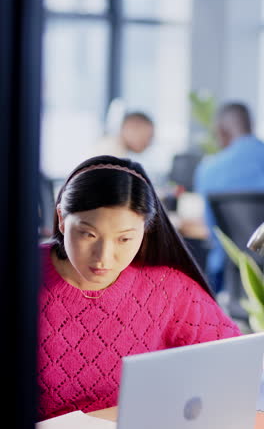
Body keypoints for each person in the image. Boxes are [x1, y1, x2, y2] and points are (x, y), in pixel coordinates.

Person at [37, 155, 241, 422]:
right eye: (88, 234)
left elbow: (234, 363)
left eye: (124, 238)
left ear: (145, 230)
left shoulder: (168, 289)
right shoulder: (22, 274)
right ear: (62, 219)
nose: (103, 257)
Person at [194, 102, 264, 292]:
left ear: (221, 131)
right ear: (251, 124)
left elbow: (212, 231)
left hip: (230, 278)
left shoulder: (208, 170)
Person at [90, 111, 154, 158]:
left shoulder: (114, 147)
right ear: (131, 128)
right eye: (148, 137)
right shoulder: (112, 152)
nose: (148, 144)